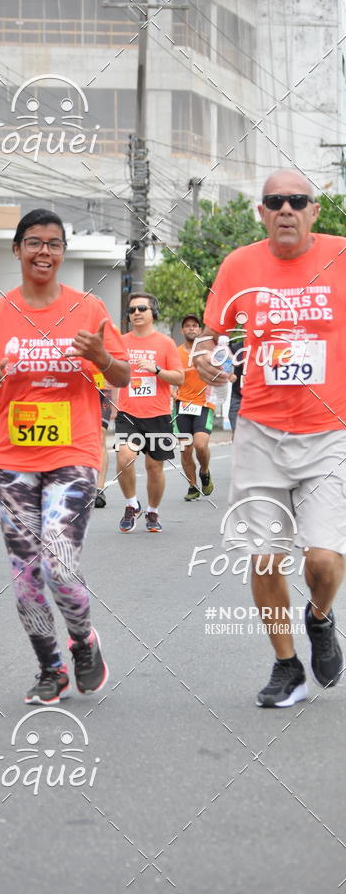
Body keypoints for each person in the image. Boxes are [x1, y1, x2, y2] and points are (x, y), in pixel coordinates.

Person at [0, 209, 129, 706]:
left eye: (53, 243)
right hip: (11, 458)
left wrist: (101, 358)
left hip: (74, 451)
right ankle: (51, 669)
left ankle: (83, 640)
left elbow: (122, 375)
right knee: (26, 576)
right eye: (33, 242)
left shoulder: (88, 309)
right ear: (17, 250)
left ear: (63, 253)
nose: (43, 252)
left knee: (59, 563)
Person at [194, 168, 346, 707]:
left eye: (297, 201)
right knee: (264, 558)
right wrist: (205, 359)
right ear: (261, 212)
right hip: (259, 429)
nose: (286, 209)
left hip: (329, 433)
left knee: (323, 559)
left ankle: (320, 617)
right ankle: (287, 666)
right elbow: (210, 337)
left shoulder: (340, 256)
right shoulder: (239, 265)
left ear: (314, 211)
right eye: (275, 201)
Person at [115, 292, 184, 533]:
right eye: (132, 310)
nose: (136, 313)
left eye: (142, 308)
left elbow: (179, 378)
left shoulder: (166, 343)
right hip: (128, 413)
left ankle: (152, 511)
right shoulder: (120, 342)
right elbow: (109, 369)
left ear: (153, 313)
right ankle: (131, 504)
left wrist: (156, 370)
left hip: (158, 415)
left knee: (154, 469)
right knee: (124, 458)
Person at [172, 314, 215, 501]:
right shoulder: (175, 352)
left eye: (195, 325)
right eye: (187, 325)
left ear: (200, 330)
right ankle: (192, 486)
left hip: (204, 404)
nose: (191, 328)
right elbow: (169, 374)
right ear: (182, 331)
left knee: (200, 445)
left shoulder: (209, 352)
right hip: (182, 404)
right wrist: (171, 391)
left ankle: (204, 472)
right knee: (186, 449)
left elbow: (220, 371)